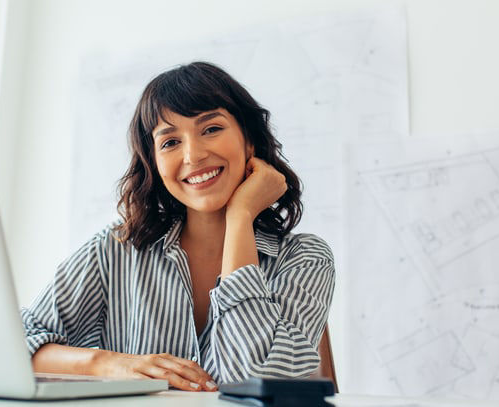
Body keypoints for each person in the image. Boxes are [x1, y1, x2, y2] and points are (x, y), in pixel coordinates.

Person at [21, 62, 335, 392]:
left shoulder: (306, 258)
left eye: (211, 129)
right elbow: (16, 345)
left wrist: (240, 218)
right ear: (155, 164)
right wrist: (109, 363)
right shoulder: (115, 248)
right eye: (170, 142)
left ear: (249, 142)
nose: (193, 155)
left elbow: (257, 384)